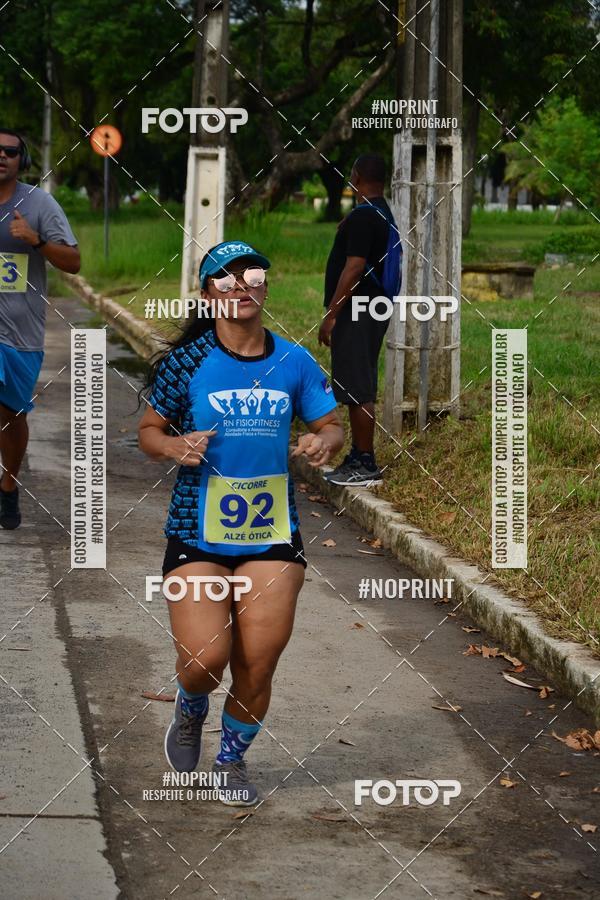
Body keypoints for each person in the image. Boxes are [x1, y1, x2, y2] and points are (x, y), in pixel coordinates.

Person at [138, 240, 343, 805]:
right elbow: (149, 432)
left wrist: (324, 441)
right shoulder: (187, 362)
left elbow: (330, 424)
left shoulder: (294, 361)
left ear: (265, 287)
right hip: (197, 531)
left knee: (257, 662)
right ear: (208, 296)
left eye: (251, 275)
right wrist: (172, 446)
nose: (241, 287)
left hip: (272, 535)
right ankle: (191, 706)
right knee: (204, 661)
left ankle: (230, 761)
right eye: (225, 280)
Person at [0, 127, 80, 529]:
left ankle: (8, 484)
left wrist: (35, 241)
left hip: (20, 333)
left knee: (11, 415)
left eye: (10, 151)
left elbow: (73, 262)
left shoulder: (39, 204)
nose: (1, 156)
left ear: (22, 160)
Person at [318, 154, 399, 486]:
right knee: (356, 383)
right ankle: (357, 455)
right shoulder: (379, 212)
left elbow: (353, 269)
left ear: (356, 177)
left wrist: (331, 314)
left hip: (358, 309)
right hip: (371, 306)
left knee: (358, 386)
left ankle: (365, 463)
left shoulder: (365, 217)